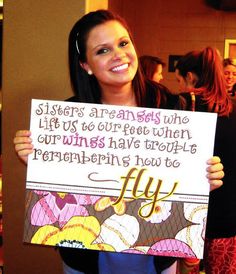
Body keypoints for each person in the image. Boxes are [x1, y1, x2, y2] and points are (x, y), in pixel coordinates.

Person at [14, 10, 225, 274]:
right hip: (87, 255)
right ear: (85, 65)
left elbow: (185, 184)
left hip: (156, 253)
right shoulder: (69, 117)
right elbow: (58, 197)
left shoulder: (173, 108)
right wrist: (40, 161)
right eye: (103, 50)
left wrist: (206, 177)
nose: (119, 55)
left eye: (123, 43)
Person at [175, 47, 236, 274]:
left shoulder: (180, 106)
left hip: (183, 220)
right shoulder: (233, 107)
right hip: (228, 218)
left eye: (180, 80)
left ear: (190, 77)